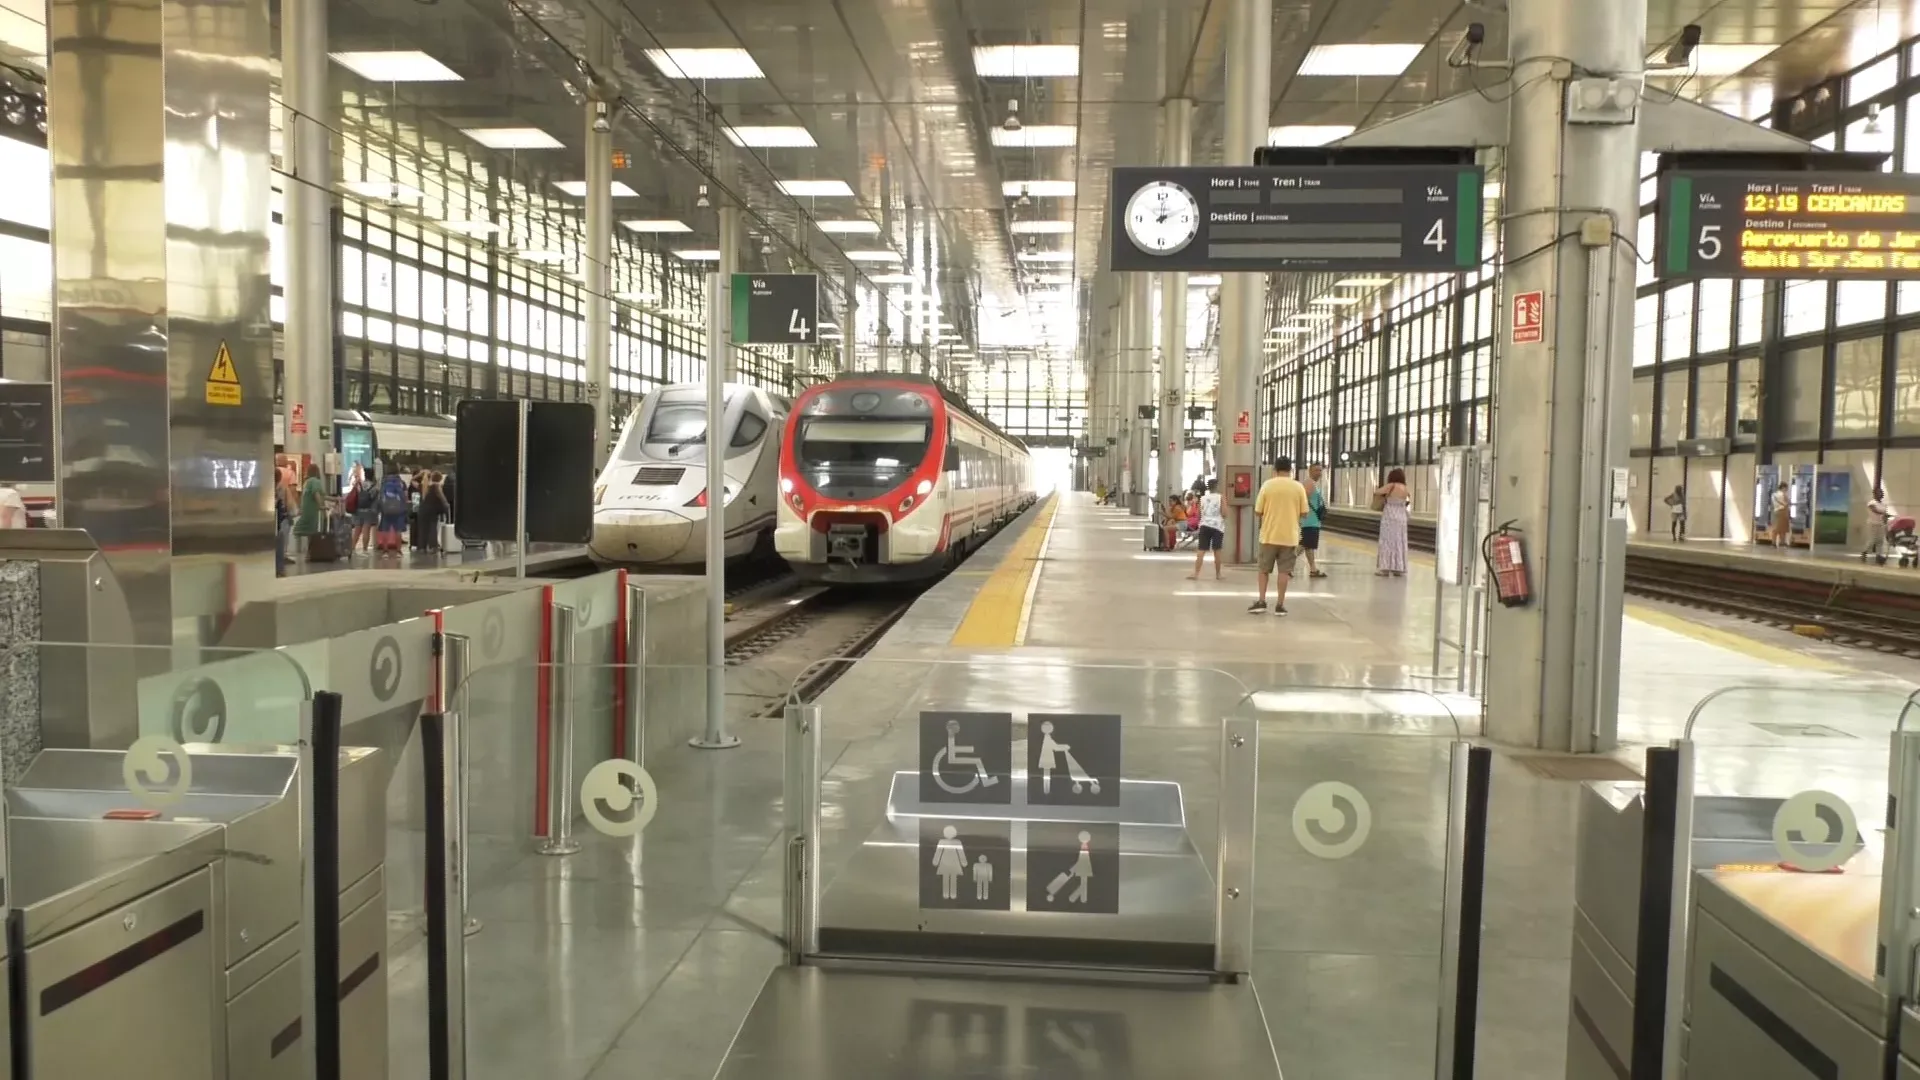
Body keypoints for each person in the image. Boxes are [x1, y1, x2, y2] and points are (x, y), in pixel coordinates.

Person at [1249, 456, 1309, 616]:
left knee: (1263, 570)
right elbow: (1304, 513)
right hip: (1289, 537)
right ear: (1291, 469)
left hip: (1269, 535)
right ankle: (1280, 605)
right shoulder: (1298, 487)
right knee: (1284, 572)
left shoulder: (1267, 485)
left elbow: (1257, 511)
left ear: (1275, 470)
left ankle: (1261, 602)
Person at [1375, 468, 1411, 577]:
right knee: (1399, 542)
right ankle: (1398, 568)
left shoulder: (1391, 486)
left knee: (1387, 541)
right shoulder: (1405, 489)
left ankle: (1385, 568)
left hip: (1390, 517)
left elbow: (1377, 492)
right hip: (1401, 518)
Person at [1188, 478, 1225, 581]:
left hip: (1205, 526)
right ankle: (1218, 574)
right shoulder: (1221, 498)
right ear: (1217, 486)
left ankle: (1195, 573)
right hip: (1217, 527)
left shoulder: (1203, 498)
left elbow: (1199, 515)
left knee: (1201, 550)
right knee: (1217, 551)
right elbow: (1224, 513)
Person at [1301, 462, 1329, 579]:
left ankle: (1313, 569)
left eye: (1320, 470)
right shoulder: (1309, 484)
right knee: (1303, 545)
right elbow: (1302, 499)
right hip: (1309, 520)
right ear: (1310, 471)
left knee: (1308, 546)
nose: (1319, 473)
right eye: (1316, 470)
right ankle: (1286, 567)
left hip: (1313, 520)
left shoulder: (1313, 484)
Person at [294, 462, 325, 560]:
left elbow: (320, 495)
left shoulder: (307, 482)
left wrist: (335, 499)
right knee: (310, 532)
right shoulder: (315, 481)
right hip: (312, 511)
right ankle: (309, 553)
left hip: (306, 510)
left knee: (304, 531)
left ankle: (306, 553)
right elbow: (317, 494)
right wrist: (321, 505)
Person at [375, 470, 410, 553]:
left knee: (385, 530)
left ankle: (385, 549)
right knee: (398, 531)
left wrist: (380, 509)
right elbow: (404, 497)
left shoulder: (384, 484)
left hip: (386, 511)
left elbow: (380, 498)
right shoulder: (401, 483)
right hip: (398, 512)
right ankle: (398, 550)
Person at [347, 466, 378, 554]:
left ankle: (352, 548)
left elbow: (354, 496)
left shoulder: (359, 484)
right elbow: (375, 500)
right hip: (368, 511)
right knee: (366, 530)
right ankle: (365, 549)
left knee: (357, 529)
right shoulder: (374, 487)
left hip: (358, 510)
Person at [419, 473, 451, 553]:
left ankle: (422, 547)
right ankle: (433, 546)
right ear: (440, 479)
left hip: (423, 509)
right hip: (432, 510)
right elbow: (442, 498)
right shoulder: (437, 486)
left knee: (423, 528)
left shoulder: (426, 486)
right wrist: (446, 505)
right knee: (432, 527)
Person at [1864, 488, 1892, 563]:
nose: (1880, 494)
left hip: (1881, 524)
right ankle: (1864, 552)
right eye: (1878, 493)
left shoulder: (1884, 504)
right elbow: (1874, 510)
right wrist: (1883, 514)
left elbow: (1884, 515)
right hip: (1872, 524)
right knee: (1872, 540)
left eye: (1881, 493)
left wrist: (1886, 523)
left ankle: (1878, 556)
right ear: (1875, 494)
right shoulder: (1871, 502)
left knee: (1880, 541)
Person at [1771, 481, 1790, 548]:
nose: (1787, 490)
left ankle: (1775, 542)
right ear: (1783, 488)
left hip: (1776, 511)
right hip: (1782, 511)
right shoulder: (1782, 494)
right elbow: (1787, 503)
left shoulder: (1774, 494)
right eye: (1786, 488)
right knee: (1780, 528)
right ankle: (1781, 542)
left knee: (1778, 528)